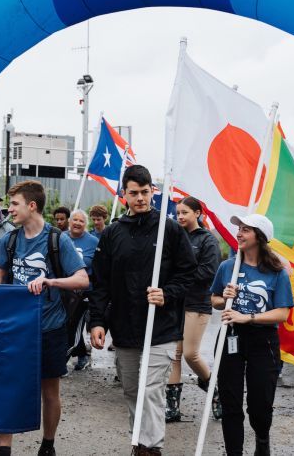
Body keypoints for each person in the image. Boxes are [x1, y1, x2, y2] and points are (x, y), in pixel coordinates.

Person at [89, 165, 196, 456]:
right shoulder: (112, 233)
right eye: (134, 193)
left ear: (153, 192)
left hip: (160, 328)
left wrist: (167, 293)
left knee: (151, 391)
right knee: (133, 392)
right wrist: (97, 321)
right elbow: (100, 282)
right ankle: (139, 443)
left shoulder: (169, 230)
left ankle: (150, 448)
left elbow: (189, 273)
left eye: (145, 192)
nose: (140, 198)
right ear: (124, 194)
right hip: (124, 329)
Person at [0, 181, 89, 456]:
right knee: (7, 387)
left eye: (14, 204)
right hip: (15, 329)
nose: (9, 210)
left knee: (49, 392)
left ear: (32, 206)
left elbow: (82, 279)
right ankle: (4, 450)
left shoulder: (57, 239)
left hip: (49, 328)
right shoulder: (9, 240)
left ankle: (48, 444)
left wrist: (51, 281)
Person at [210, 214, 294, 456]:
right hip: (230, 338)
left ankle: (262, 440)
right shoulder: (228, 266)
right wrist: (224, 298)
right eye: (239, 229)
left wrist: (249, 317)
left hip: (263, 341)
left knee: (260, 404)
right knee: (230, 402)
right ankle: (234, 452)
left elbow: (283, 313)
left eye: (245, 230)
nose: (239, 234)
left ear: (260, 237)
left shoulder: (277, 272)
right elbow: (214, 300)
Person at [166, 197, 221, 423]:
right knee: (174, 355)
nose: (180, 217)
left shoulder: (207, 240)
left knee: (190, 354)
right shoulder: (174, 237)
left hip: (197, 304)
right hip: (174, 304)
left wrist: (178, 281)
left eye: (185, 212)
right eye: (177, 213)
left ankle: (215, 389)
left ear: (197, 213)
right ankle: (172, 408)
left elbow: (209, 271)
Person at [66, 209, 98, 371]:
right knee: (63, 324)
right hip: (63, 290)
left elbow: (99, 267)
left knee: (74, 325)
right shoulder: (61, 238)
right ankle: (81, 353)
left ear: (86, 224)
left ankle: (64, 359)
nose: (77, 223)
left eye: (81, 221)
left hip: (83, 292)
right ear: (69, 222)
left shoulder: (93, 242)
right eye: (75, 220)